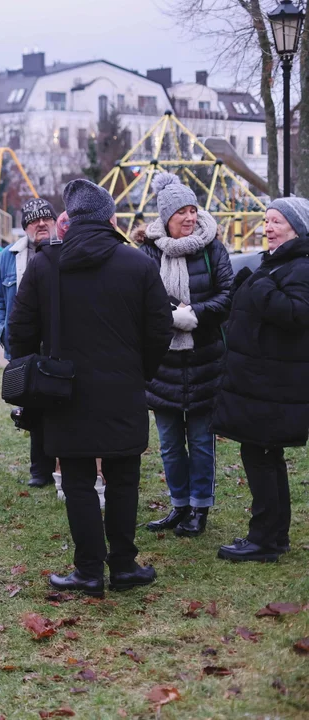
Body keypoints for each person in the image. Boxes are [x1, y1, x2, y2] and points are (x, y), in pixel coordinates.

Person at [8, 179, 173, 598]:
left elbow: (20, 333)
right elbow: (159, 331)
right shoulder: (138, 265)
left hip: (63, 390)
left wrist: (35, 373)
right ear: (110, 219)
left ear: (71, 219)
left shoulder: (45, 265)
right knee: (123, 477)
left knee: (78, 479)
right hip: (124, 388)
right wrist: (141, 372)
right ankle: (122, 565)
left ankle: (87, 571)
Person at [133, 174, 233, 538]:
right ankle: (179, 505)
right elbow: (141, 299)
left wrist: (195, 314)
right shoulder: (148, 252)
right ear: (166, 217)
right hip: (164, 364)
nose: (190, 218)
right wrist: (169, 316)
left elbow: (227, 295)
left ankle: (200, 506)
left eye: (193, 210)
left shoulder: (213, 249)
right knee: (172, 445)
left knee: (203, 442)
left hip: (206, 360)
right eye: (182, 213)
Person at [212, 197, 309, 562]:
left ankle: (265, 540)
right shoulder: (279, 265)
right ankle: (272, 536)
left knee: (261, 457)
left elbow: (298, 314)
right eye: (266, 221)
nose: (267, 228)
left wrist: (260, 288)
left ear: (296, 228)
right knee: (264, 456)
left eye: (277, 222)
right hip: (264, 384)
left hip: (274, 386)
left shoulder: (299, 267)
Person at [0, 197, 59, 487]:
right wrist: (3, 331)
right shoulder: (8, 257)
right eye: (33, 220)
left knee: (59, 404)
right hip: (23, 346)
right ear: (25, 227)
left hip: (58, 343)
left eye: (46, 218)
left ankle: (61, 468)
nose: (41, 224)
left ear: (55, 222)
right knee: (32, 405)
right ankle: (39, 471)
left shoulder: (65, 252)